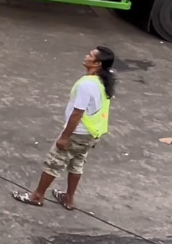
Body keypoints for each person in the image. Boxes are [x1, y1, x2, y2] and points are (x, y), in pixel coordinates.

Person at [12, 47, 116, 210]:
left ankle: (37, 195)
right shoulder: (103, 82)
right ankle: (68, 198)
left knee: (54, 162)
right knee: (77, 162)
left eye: (90, 55)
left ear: (97, 63)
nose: (86, 55)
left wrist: (65, 136)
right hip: (92, 133)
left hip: (78, 132)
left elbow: (77, 113)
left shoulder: (86, 84)